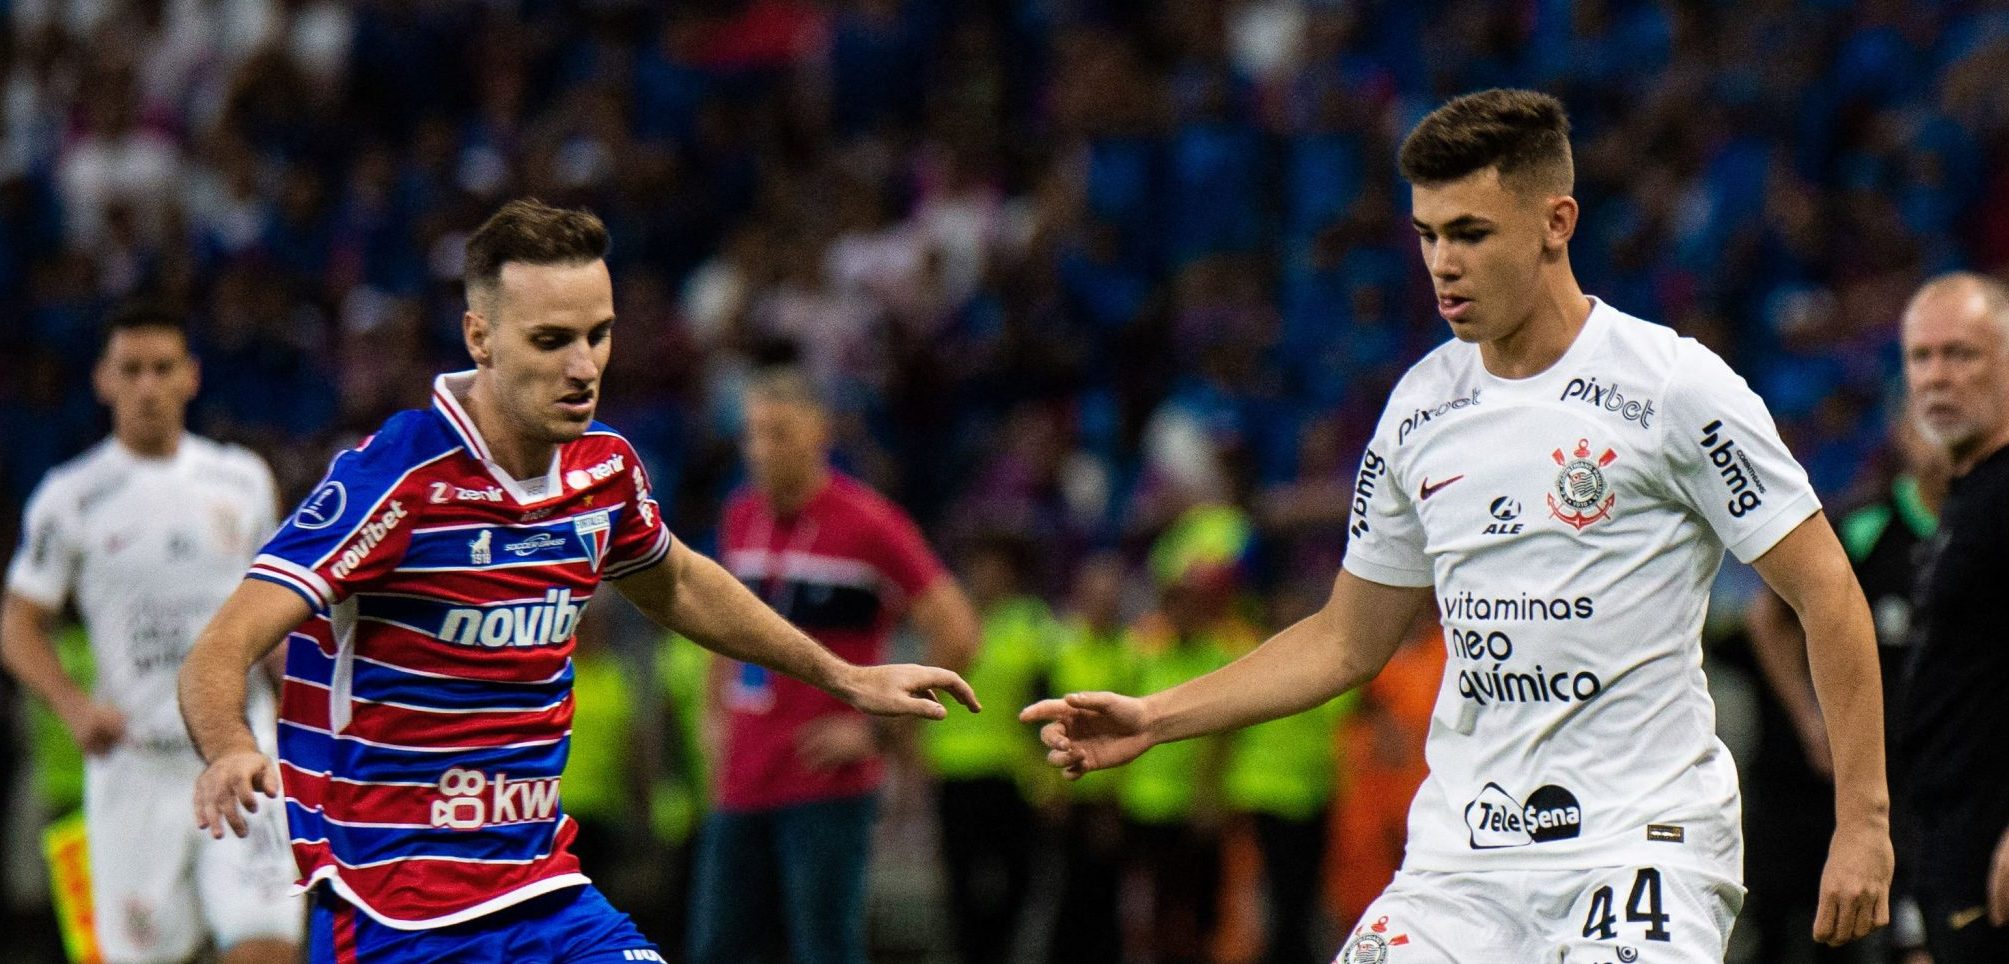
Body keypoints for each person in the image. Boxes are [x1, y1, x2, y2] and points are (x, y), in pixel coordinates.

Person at [1023, 88, 1894, 963]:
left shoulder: (1673, 388)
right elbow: (1342, 643)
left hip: (1638, 847)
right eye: (1427, 235)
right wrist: (1154, 717)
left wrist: (1861, 824)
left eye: (1470, 233)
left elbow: (1825, 592)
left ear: (1556, 221)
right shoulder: (1418, 408)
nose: (1442, 262)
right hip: (1461, 863)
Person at [176, 199, 979, 963]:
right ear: (480, 337)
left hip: (545, 891)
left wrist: (841, 675)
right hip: (398, 910)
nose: (583, 366)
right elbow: (220, 648)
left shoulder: (604, 471)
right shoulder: (394, 480)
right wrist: (229, 748)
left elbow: (679, 584)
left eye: (599, 336)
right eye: (552, 339)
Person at [2, 303, 302, 964]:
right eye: (130, 369)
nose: (147, 384)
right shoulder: (71, 496)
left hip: (239, 754)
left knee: (267, 947)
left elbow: (276, 614)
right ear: (103, 381)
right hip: (134, 767)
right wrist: (73, 708)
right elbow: (17, 623)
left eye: (162, 367)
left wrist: (307, 710)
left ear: (190, 376)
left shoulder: (242, 480)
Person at [690, 365, 981, 964]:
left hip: (824, 780)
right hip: (742, 775)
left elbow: (958, 630)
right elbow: (722, 629)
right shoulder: (740, 515)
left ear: (821, 434)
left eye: (780, 434)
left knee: (825, 949)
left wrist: (876, 732)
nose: (762, 451)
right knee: (717, 947)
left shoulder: (870, 523)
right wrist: (711, 720)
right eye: (753, 435)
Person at [1746, 418, 1947, 964]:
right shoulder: (1862, 525)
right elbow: (1769, 618)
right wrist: (1812, 721)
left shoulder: (1981, 524)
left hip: (1937, 782)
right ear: (1901, 432)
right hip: (1842, 783)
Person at [1894, 272, 2009, 962]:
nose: (1936, 377)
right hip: (1950, 839)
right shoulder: (1965, 498)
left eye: (1961, 354)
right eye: (1920, 357)